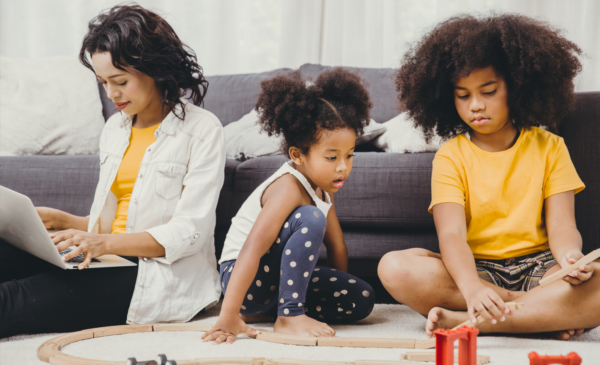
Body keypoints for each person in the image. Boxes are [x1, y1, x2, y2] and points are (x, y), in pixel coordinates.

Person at [0, 4, 225, 338]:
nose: (111, 94)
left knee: (12, 301)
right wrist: (65, 222)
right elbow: (122, 219)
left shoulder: (203, 130)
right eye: (102, 81)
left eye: (120, 81)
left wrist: (102, 243)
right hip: (108, 256)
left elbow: (188, 232)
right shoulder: (115, 129)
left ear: (155, 68)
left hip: (152, 273)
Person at [378, 14, 600, 340]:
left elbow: (562, 226)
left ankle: (479, 320)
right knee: (394, 268)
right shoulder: (451, 155)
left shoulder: (551, 147)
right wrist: (471, 290)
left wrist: (570, 258)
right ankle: (537, 314)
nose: (476, 106)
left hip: (540, 268)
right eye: (463, 95)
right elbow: (451, 235)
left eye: (489, 91)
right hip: (476, 270)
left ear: (517, 87)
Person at [202, 68, 376, 345]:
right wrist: (228, 315)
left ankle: (281, 310)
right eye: (332, 157)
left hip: (274, 285)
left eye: (349, 155)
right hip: (243, 280)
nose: (343, 167)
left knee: (363, 297)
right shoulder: (287, 187)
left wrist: (336, 284)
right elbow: (251, 250)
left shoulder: (323, 189)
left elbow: (337, 246)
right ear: (297, 155)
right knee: (311, 217)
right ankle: (289, 316)